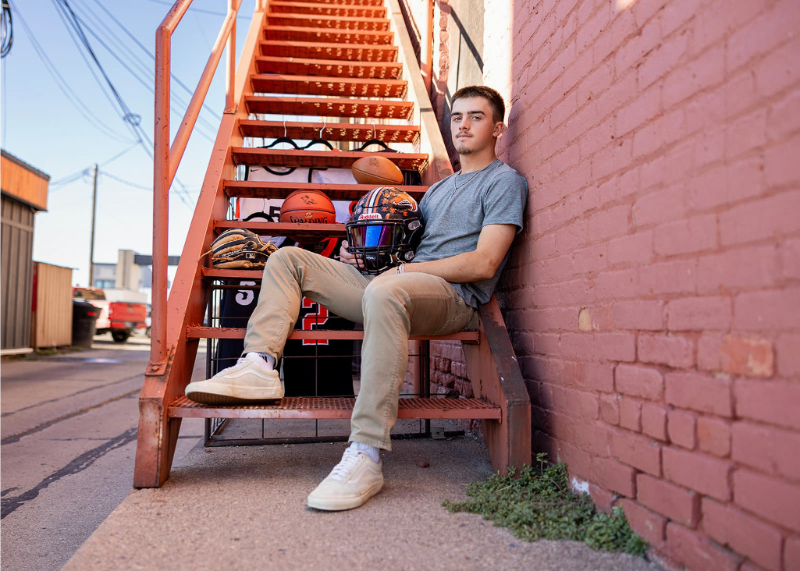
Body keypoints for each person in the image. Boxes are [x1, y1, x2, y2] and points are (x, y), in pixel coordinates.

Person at [185, 85, 528, 511]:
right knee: (291, 259)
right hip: (396, 285)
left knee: (387, 289)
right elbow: (402, 248)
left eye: (475, 117)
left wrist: (402, 271)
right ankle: (258, 365)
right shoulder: (440, 190)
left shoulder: (504, 182)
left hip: (452, 298)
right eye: (457, 116)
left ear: (497, 128)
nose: (463, 124)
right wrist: (362, 257)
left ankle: (365, 453)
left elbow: (484, 262)